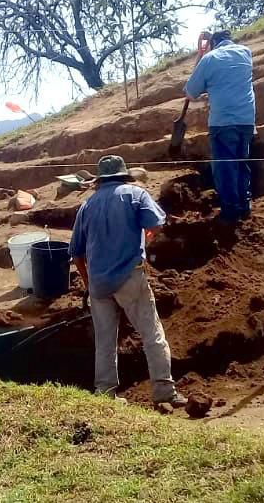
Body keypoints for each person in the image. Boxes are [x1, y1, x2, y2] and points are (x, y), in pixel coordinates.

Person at [70, 155, 186, 406]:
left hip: (99, 283)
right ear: (124, 175)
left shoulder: (87, 206)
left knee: (105, 342)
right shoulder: (136, 194)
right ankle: (164, 390)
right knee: (152, 334)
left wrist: (88, 283)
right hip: (130, 276)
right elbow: (156, 223)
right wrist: (143, 242)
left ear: (100, 180)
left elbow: (76, 253)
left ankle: (105, 393)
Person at [183, 29, 256, 222]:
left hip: (223, 122)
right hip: (247, 120)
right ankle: (245, 206)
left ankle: (231, 212)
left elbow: (191, 92)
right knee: (242, 164)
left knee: (225, 168)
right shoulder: (245, 52)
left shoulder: (210, 59)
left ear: (214, 43)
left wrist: (201, 56)